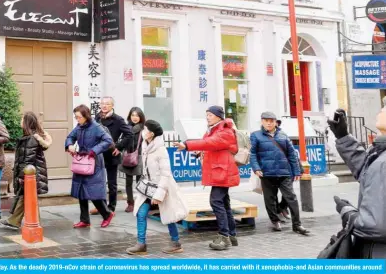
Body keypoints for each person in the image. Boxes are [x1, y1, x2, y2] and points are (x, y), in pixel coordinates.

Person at [175, 105, 239, 251]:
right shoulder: (214, 129)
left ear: (218, 116)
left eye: (210, 115)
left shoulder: (225, 131)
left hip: (223, 171)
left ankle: (224, 237)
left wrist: (187, 145)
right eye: (207, 114)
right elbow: (209, 146)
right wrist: (199, 153)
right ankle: (232, 235)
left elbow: (210, 143)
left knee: (215, 201)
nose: (207, 117)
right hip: (220, 170)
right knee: (224, 203)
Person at [328, 109, 386, 258]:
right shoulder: (381, 154)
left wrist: (349, 214)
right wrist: (343, 137)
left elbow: (377, 226)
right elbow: (369, 171)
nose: (381, 109)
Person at [127, 120, 185, 255]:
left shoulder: (161, 150)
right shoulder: (145, 146)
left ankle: (176, 243)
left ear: (151, 134)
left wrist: (159, 194)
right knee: (141, 214)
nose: (143, 131)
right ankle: (141, 244)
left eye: (145, 129)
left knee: (168, 215)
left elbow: (166, 174)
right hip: (148, 187)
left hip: (162, 187)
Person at [249, 112, 310, 235]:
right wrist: (256, 168)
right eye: (266, 120)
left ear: (275, 122)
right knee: (270, 199)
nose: (269, 123)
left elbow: (292, 154)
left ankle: (297, 225)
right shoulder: (255, 135)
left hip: (284, 172)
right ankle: (275, 220)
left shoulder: (283, 135)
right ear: (262, 121)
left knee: (291, 198)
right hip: (266, 173)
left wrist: (296, 171)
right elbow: (253, 154)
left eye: (271, 120)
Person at [66, 104, 115, 229]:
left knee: (93, 192)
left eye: (79, 117)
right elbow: (70, 136)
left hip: (94, 162)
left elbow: (108, 140)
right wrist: (70, 145)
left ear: (85, 116)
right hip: (82, 160)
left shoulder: (96, 127)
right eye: (75, 117)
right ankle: (85, 220)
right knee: (81, 191)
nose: (77, 119)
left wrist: (94, 150)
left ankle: (107, 214)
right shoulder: (79, 126)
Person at [1, 112, 51, 230]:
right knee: (26, 197)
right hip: (31, 174)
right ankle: (16, 221)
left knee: (27, 197)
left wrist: (22, 176)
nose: (20, 121)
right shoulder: (29, 137)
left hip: (31, 175)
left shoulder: (31, 139)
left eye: (22, 119)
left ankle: (25, 222)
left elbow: (28, 160)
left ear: (26, 122)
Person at [94, 96, 133, 213]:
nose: (104, 106)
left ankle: (111, 207)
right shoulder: (97, 118)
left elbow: (129, 135)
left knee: (112, 183)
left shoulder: (118, 120)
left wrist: (119, 147)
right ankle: (101, 206)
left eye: (107, 104)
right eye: (102, 104)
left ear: (112, 106)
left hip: (111, 154)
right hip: (98, 154)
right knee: (98, 182)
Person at [120, 107, 145, 213]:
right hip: (128, 156)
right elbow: (122, 141)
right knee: (128, 181)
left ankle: (140, 202)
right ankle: (130, 203)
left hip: (139, 156)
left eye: (137, 115)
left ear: (141, 117)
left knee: (140, 181)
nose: (135, 118)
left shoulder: (144, 128)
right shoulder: (126, 127)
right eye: (132, 115)